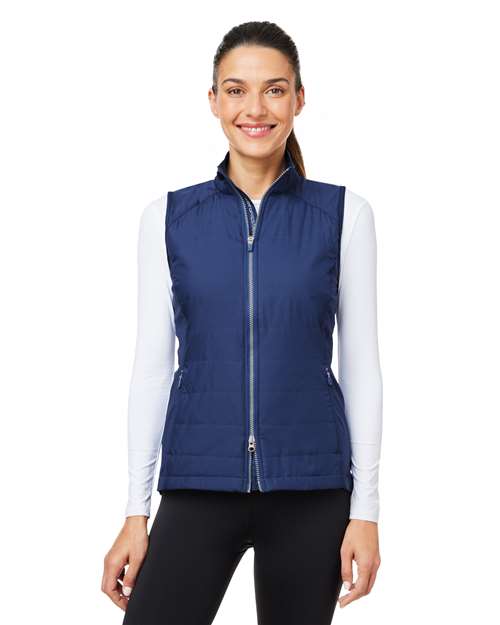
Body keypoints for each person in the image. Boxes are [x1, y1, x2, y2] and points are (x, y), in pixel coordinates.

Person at [102, 20, 383, 625]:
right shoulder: (169, 218)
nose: (255, 108)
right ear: (213, 100)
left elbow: (361, 369)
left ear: (299, 99)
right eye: (236, 90)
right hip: (198, 482)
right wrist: (135, 510)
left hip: (311, 489)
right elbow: (152, 370)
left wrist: (367, 511)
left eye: (274, 89)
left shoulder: (344, 216)